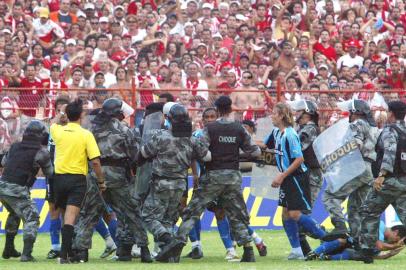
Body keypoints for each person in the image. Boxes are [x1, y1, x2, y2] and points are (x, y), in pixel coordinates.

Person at [157, 96, 261, 263]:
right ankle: (248, 250)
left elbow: (204, 155)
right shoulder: (239, 129)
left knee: (193, 211)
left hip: (213, 176)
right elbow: (256, 152)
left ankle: (178, 244)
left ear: (217, 109)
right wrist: (235, 154)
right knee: (237, 213)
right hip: (233, 176)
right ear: (231, 108)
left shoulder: (210, 129)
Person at [73, 98, 152, 263]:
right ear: (118, 113)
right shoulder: (125, 130)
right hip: (118, 175)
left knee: (89, 213)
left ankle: (81, 252)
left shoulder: (90, 129)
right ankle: (143, 250)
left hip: (95, 173)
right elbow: (135, 155)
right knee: (131, 213)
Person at [140, 103, 211, 261]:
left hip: (161, 183)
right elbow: (208, 157)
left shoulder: (161, 136)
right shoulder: (191, 139)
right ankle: (170, 257)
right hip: (180, 184)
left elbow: (144, 153)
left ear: (169, 119)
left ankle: (170, 241)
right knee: (168, 220)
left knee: (148, 217)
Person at [264, 102, 326, 260]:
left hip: (302, 176)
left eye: (274, 113)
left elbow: (298, 156)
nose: (295, 113)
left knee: (296, 213)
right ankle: (299, 250)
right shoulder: (281, 132)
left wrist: (282, 174)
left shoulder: (298, 132)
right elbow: (268, 146)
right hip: (291, 176)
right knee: (288, 214)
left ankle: (329, 240)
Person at [50, 99, 105, 264]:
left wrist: (61, 113)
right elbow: (95, 162)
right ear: (81, 115)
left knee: (62, 216)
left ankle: (63, 253)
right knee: (71, 218)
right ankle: (65, 255)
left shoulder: (58, 131)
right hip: (77, 180)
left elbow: (52, 123)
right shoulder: (86, 134)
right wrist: (101, 181)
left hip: (58, 179)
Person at [358, 100, 406, 263]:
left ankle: (367, 251)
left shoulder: (390, 130)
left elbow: (390, 153)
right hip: (404, 181)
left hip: (390, 181)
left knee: (368, 211)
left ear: (391, 113)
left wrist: (382, 175)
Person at [323, 99, 379, 238]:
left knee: (330, 195)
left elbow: (356, 144)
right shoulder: (374, 127)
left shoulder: (357, 123)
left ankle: (340, 226)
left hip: (356, 165)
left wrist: (335, 157)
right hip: (370, 169)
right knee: (356, 209)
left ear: (355, 113)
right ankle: (359, 242)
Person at [0, 121, 53, 262]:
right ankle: (26, 254)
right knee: (32, 218)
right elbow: (50, 172)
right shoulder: (41, 152)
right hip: (17, 189)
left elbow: (4, 163)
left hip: (2, 186)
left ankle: (9, 248)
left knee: (14, 213)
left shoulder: (15, 146)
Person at [45, 96, 69, 260]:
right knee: (53, 210)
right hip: (52, 175)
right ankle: (55, 247)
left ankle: (71, 246)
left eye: (65, 111)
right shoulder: (50, 128)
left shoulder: (72, 129)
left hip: (68, 173)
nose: (62, 114)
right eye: (59, 110)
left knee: (69, 211)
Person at [307, 224, 406, 261]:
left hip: (342, 249)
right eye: (397, 240)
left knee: (355, 253)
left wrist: (389, 254)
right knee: (343, 240)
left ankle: (325, 258)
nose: (394, 242)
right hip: (335, 241)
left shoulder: (383, 239)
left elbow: (370, 255)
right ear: (396, 232)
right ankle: (315, 252)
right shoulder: (378, 224)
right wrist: (393, 246)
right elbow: (378, 245)